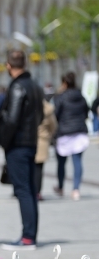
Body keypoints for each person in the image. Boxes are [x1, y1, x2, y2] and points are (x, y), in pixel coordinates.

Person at [0, 49, 43, 250]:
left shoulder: (17, 88)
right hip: (31, 142)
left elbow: (12, 119)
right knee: (30, 190)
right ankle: (30, 234)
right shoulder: (34, 86)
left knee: (23, 190)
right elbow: (40, 115)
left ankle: (27, 238)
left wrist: (3, 140)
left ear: (8, 65)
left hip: (18, 145)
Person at [53, 72, 90, 201]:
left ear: (64, 83)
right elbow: (86, 112)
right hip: (79, 131)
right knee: (77, 162)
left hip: (64, 132)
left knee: (61, 162)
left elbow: (55, 114)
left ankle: (61, 186)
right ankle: (76, 189)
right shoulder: (81, 96)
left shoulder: (61, 97)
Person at [35, 99, 57, 200]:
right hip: (42, 140)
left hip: (27, 139)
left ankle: (29, 190)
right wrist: (48, 135)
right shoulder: (47, 109)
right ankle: (37, 192)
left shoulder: (27, 104)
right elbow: (53, 126)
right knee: (39, 169)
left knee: (28, 167)